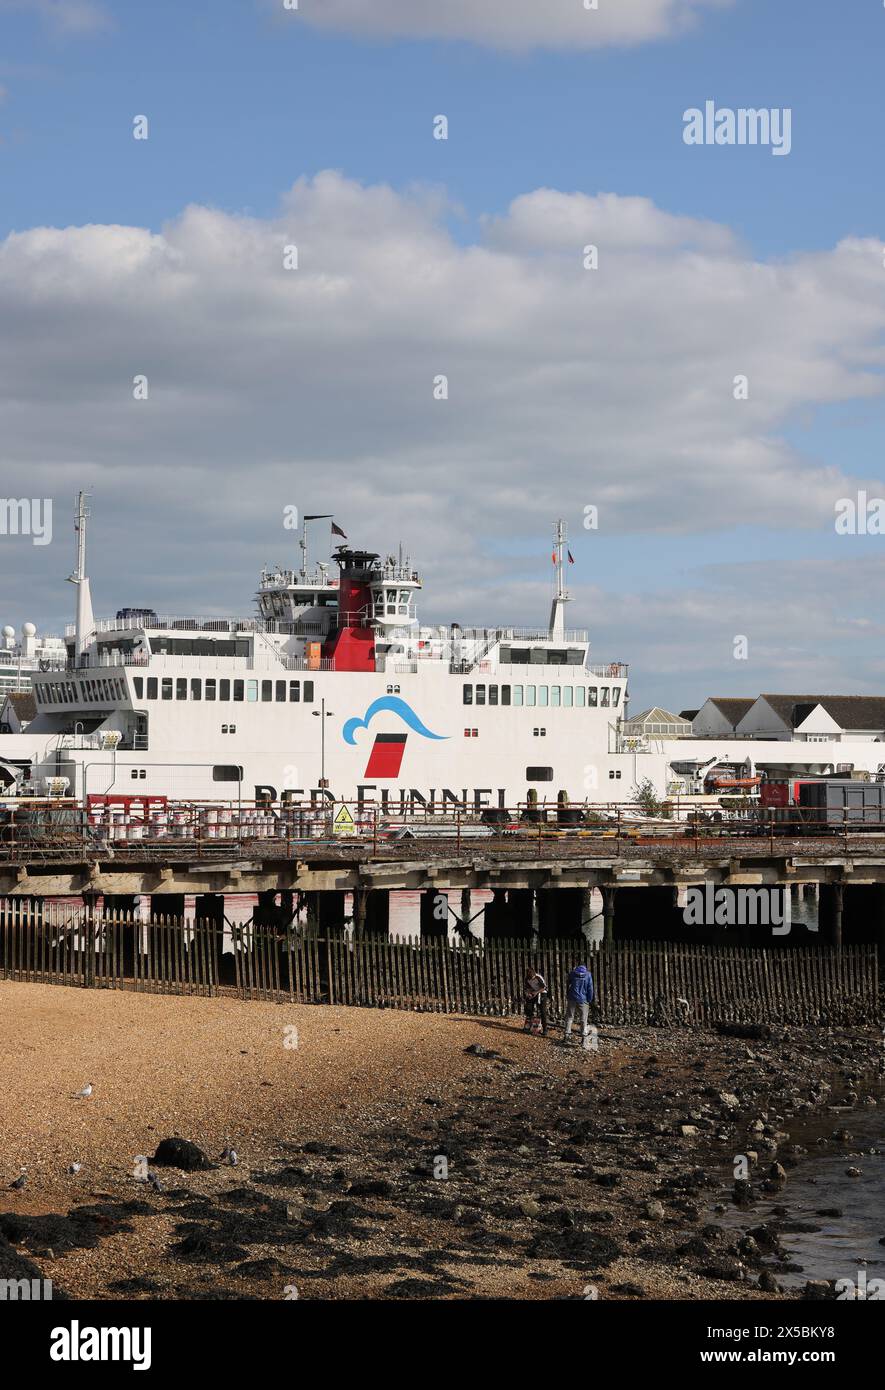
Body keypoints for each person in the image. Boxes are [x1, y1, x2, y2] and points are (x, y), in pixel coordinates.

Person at [563, 963, 594, 1046]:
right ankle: (583, 1039)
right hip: (583, 1000)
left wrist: (568, 994)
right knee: (583, 1019)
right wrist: (589, 999)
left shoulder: (573, 974)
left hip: (572, 998)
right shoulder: (588, 975)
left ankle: (566, 1035)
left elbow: (568, 982)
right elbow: (590, 988)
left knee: (569, 1017)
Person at [522, 967, 549, 1035]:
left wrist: (536, 992)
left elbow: (544, 987)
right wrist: (529, 994)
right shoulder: (527, 979)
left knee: (542, 1010)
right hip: (533, 992)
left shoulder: (538, 977)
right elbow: (527, 988)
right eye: (531, 977)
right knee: (528, 1007)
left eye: (533, 977)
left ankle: (545, 1029)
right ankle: (529, 1026)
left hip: (542, 993)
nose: (532, 978)